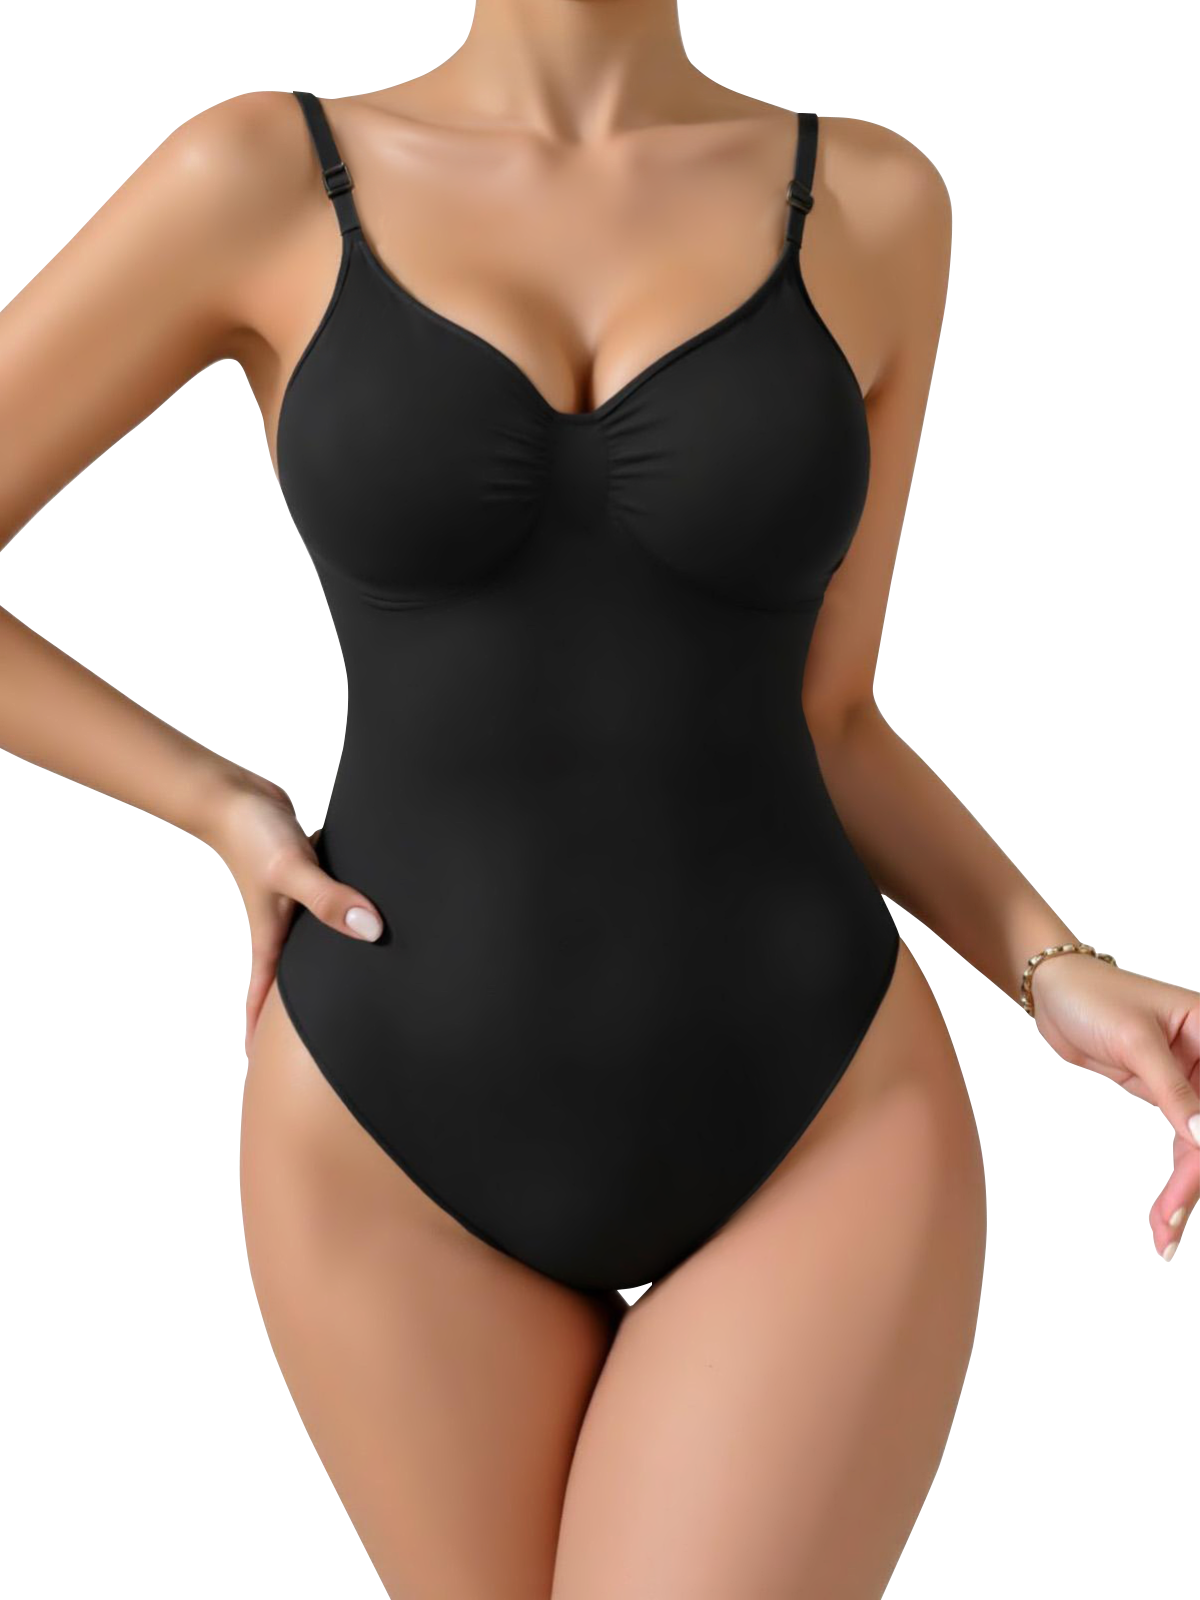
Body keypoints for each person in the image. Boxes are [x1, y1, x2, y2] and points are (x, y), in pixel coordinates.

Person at [1, 7, 1195, 1597]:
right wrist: (216, 801)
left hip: (817, 1113)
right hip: (385, 1133)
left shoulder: (873, 203)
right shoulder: (259, 175)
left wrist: (1055, 969)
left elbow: (831, 719)